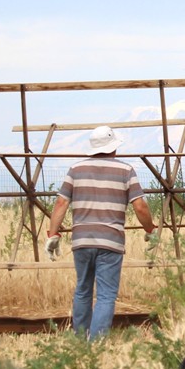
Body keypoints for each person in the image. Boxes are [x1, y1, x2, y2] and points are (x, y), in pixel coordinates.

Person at [45, 125, 156, 340]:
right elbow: (140, 206)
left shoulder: (75, 169)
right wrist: (150, 229)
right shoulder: (125, 171)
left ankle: (79, 338)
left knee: (83, 290)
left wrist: (52, 234)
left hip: (82, 241)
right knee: (106, 295)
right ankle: (95, 344)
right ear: (114, 147)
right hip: (111, 242)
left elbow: (61, 203)